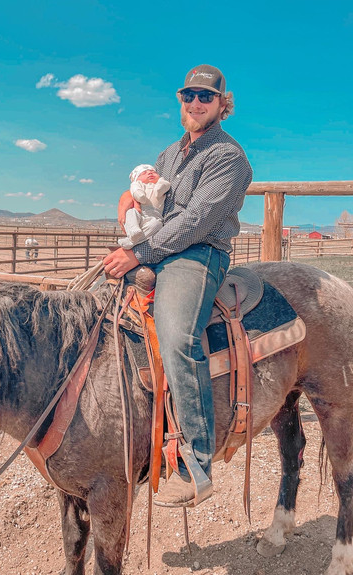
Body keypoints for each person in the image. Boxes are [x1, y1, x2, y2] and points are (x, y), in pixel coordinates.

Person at [103, 64, 253, 507]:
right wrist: (129, 201)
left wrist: (138, 253)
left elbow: (194, 222)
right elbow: (154, 203)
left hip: (199, 254)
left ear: (221, 105)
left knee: (176, 337)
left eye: (205, 97)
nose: (195, 103)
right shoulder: (169, 154)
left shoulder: (229, 158)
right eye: (188, 95)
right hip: (160, 246)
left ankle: (196, 460)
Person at [118, 164, 171, 250]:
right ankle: (133, 229)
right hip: (140, 212)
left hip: (154, 215)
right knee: (131, 213)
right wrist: (139, 195)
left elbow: (166, 185)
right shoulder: (137, 184)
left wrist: (160, 186)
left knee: (156, 225)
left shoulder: (160, 182)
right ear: (136, 179)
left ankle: (132, 241)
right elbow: (135, 189)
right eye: (143, 173)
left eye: (153, 172)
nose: (150, 173)